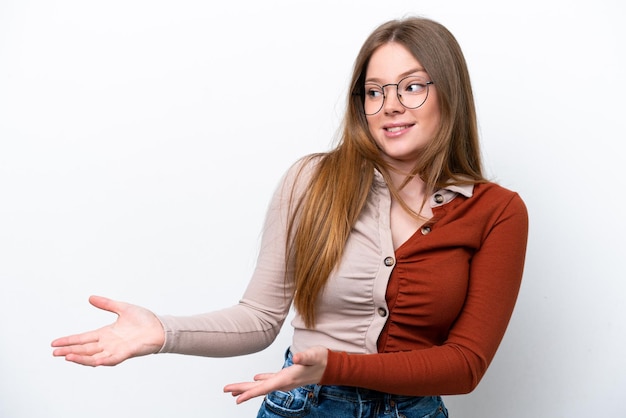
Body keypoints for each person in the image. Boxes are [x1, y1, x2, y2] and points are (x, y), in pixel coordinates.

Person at [51, 16, 528, 418]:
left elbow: (466, 366)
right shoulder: (312, 181)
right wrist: (163, 331)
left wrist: (335, 366)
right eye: (375, 91)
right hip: (306, 406)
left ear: (449, 92)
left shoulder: (497, 211)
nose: (391, 106)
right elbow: (259, 318)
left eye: (413, 86)